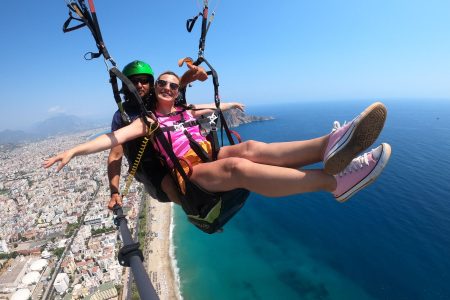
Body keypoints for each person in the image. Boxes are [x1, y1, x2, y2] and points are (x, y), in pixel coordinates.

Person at [44, 71, 391, 203]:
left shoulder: (185, 110)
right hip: (187, 174)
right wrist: (75, 150)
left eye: (172, 85)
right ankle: (334, 183)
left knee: (251, 147)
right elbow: (110, 140)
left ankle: (328, 145)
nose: (166, 88)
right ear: (154, 92)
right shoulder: (147, 120)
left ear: (177, 91)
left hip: (206, 157)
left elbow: (212, 106)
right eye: (162, 84)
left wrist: (231, 103)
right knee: (237, 169)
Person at [107, 60, 208, 209]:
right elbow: (115, 155)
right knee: (169, 185)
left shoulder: (160, 100)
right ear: (126, 85)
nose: (140, 85)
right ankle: (197, 213)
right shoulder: (123, 116)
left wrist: (195, 73)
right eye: (134, 82)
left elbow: (179, 84)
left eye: (144, 81)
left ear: (151, 83)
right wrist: (114, 191)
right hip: (147, 166)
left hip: (171, 155)